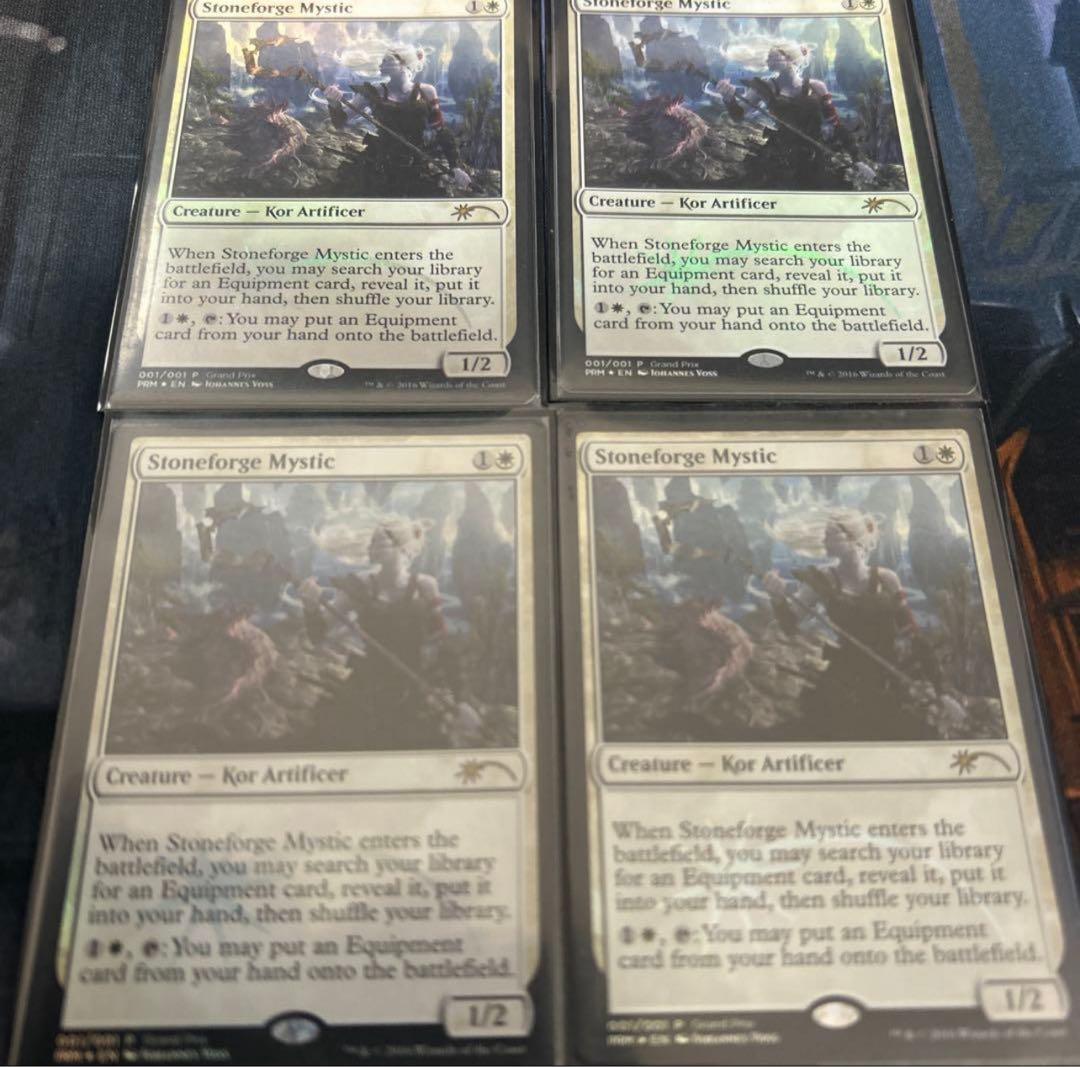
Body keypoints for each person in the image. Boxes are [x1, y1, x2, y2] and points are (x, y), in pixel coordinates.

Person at [763, 510, 948, 740]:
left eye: (831, 534)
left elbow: (912, 633)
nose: (824, 540)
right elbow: (789, 623)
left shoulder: (887, 579)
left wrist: (938, 687)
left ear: (852, 537)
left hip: (889, 672)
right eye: (825, 535)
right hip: (847, 678)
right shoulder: (822, 580)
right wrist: (777, 598)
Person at [314, 46, 471, 196]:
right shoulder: (373, 92)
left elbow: (441, 131)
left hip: (415, 164)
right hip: (380, 164)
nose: (381, 65)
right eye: (382, 61)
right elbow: (340, 122)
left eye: (387, 61)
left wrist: (455, 166)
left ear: (403, 63)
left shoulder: (426, 92)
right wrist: (333, 103)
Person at [705, 43, 863, 190]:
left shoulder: (816, 87)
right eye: (769, 57)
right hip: (782, 156)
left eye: (774, 56)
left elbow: (835, 124)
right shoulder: (764, 87)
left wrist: (857, 159)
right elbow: (738, 115)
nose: (769, 60)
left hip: (815, 153)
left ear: (790, 58)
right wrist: (729, 99)